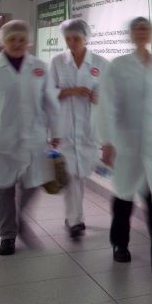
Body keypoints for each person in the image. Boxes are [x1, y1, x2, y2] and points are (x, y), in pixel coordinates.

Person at [0, 20, 63, 256]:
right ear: (3, 41)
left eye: (21, 39)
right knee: (2, 189)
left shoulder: (39, 67)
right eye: (12, 39)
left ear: (28, 42)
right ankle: (7, 236)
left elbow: (50, 103)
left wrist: (56, 131)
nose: (17, 43)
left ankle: (18, 218)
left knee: (34, 182)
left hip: (32, 139)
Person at [96, 17, 152, 277]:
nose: (141, 33)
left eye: (146, 29)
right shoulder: (118, 66)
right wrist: (107, 141)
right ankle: (120, 243)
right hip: (126, 143)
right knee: (124, 198)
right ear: (131, 35)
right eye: (137, 29)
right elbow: (107, 105)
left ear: (151, 34)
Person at [50, 18, 109, 239]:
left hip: (89, 128)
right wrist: (73, 91)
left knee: (82, 174)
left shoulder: (101, 64)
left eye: (76, 38)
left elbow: (111, 94)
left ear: (86, 38)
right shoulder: (57, 62)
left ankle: (74, 215)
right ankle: (75, 220)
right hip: (64, 127)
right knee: (72, 175)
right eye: (68, 38)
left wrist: (99, 96)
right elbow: (48, 93)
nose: (71, 42)